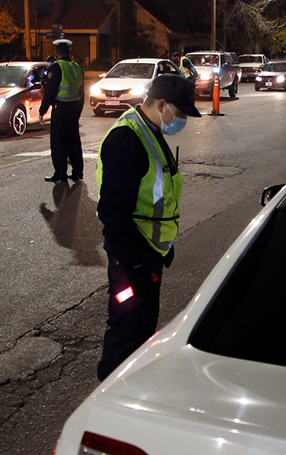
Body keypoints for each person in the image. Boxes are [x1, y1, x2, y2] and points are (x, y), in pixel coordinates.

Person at [95, 74, 201, 381]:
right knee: (126, 334)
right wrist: (135, 266)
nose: (181, 121)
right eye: (180, 114)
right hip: (132, 257)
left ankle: (130, 392)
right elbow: (112, 213)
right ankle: (110, 399)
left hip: (147, 252)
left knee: (141, 332)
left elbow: (157, 194)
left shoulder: (150, 131)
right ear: (163, 105)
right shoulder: (128, 139)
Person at [39, 39, 85, 182]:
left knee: (58, 142)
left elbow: (50, 91)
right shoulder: (77, 67)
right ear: (69, 51)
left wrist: (42, 110)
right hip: (74, 108)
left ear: (56, 52)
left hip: (61, 108)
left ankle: (60, 174)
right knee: (74, 141)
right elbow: (81, 92)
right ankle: (77, 172)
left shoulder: (57, 67)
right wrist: (78, 111)